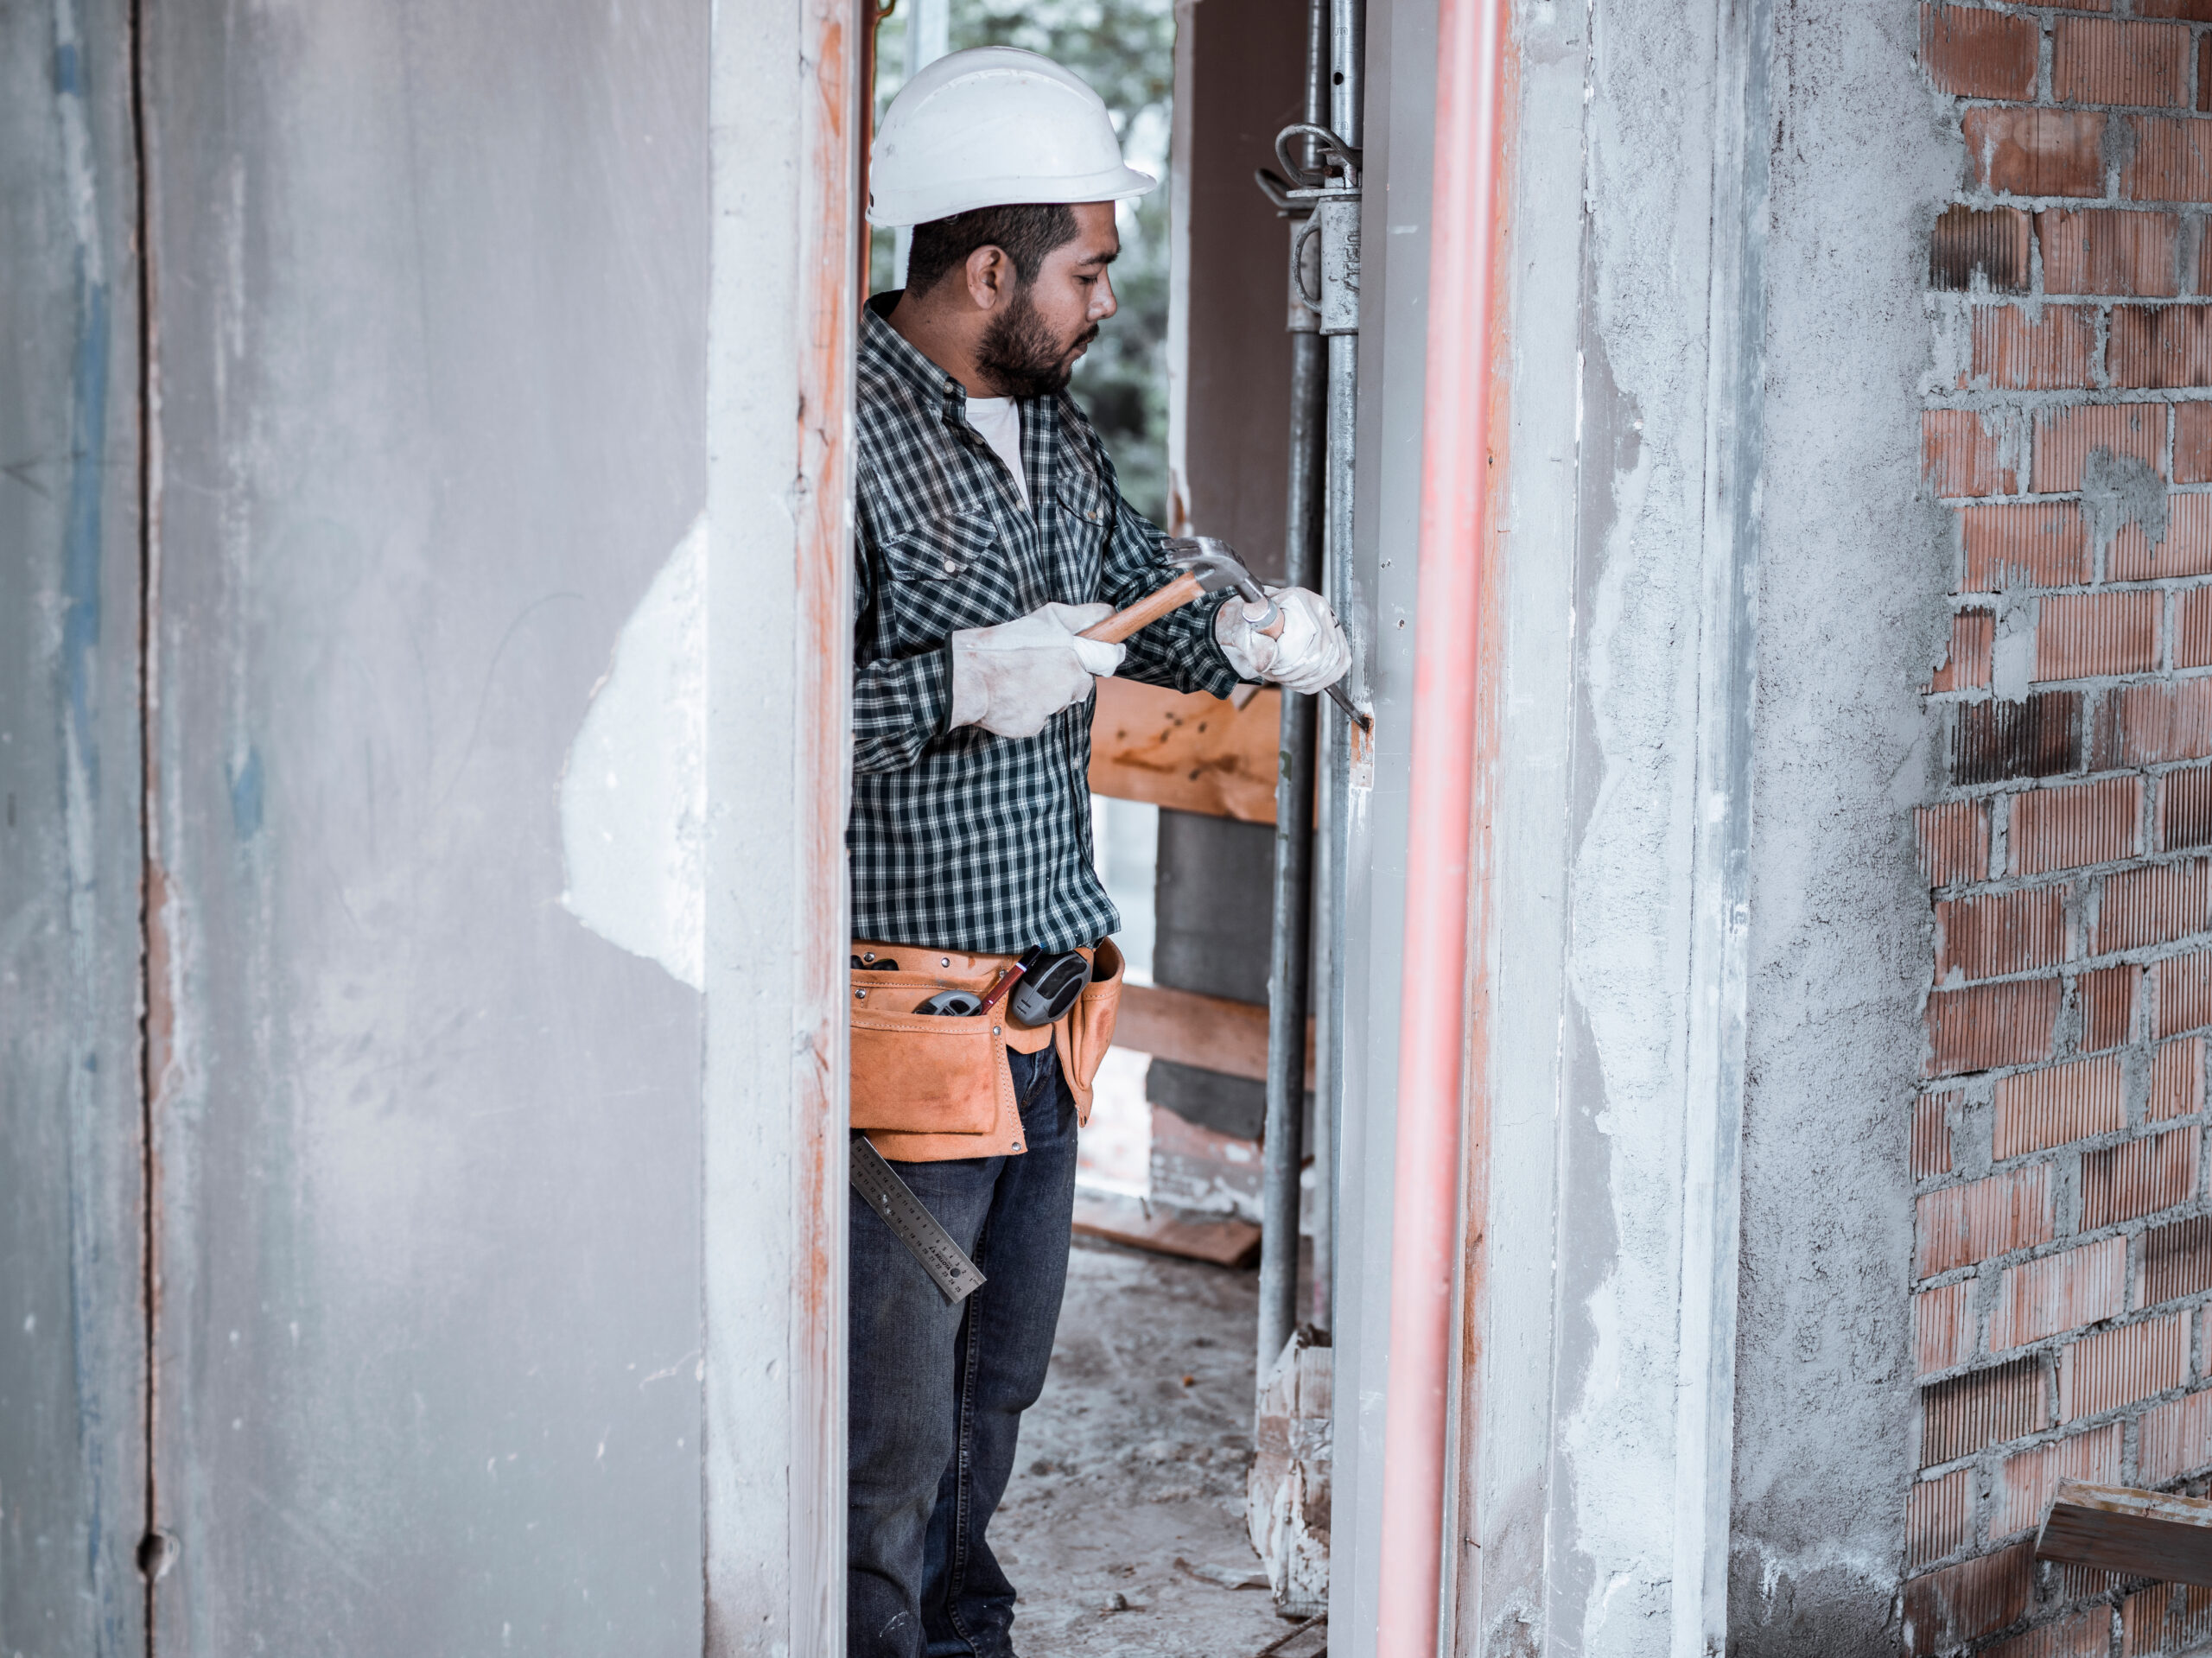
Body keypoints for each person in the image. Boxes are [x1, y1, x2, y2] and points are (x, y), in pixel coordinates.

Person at [846, 46, 1351, 1658]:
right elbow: (751, 731)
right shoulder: (831, 429)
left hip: (1049, 1018)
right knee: (883, 1444)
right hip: (902, 1025)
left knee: (992, 1402)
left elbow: (1140, 593)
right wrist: (957, 682)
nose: (1109, 301)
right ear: (989, 272)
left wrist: (1249, 637)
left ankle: (963, 1637)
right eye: (1090, 269)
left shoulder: (1050, 426)